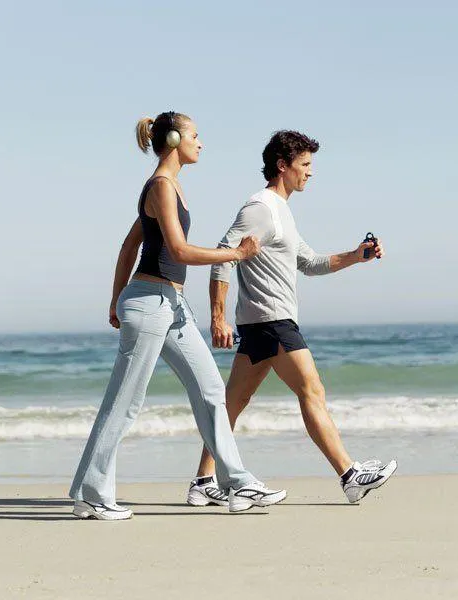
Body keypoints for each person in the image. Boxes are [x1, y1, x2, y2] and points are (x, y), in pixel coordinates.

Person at [69, 111, 286, 518]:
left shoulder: (172, 188)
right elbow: (180, 250)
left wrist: (116, 298)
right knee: (124, 403)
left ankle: (237, 484)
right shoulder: (161, 187)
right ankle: (93, 494)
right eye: (195, 135)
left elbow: (129, 246)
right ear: (173, 139)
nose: (201, 143)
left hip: (171, 306)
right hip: (151, 302)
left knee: (210, 392)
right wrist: (236, 254)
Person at [189, 130, 397, 505]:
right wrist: (217, 318)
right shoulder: (261, 208)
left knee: (230, 405)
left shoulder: (281, 210)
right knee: (312, 391)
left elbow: (309, 263)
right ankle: (349, 474)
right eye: (304, 165)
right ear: (282, 166)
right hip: (272, 320)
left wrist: (355, 255)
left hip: (260, 322)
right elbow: (223, 255)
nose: (310, 173)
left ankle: (203, 480)